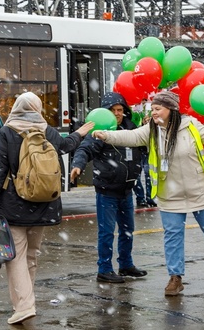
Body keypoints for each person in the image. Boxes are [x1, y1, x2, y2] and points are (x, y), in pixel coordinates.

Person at [92, 91, 204, 296]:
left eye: (157, 109)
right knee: (172, 236)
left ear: (170, 109)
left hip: (200, 190)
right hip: (170, 194)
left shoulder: (190, 125)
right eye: (152, 109)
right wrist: (107, 135)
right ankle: (175, 277)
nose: (153, 113)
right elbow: (131, 136)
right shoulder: (151, 130)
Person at [0, 92, 94, 325]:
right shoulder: (46, 130)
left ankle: (24, 305)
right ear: (37, 109)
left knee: (15, 257)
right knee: (31, 255)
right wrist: (80, 133)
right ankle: (25, 302)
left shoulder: (8, 131)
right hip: (44, 201)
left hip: (14, 202)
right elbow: (65, 145)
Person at [70, 92, 148, 284]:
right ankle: (104, 269)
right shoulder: (101, 130)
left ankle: (126, 265)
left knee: (127, 230)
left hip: (126, 190)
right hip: (107, 191)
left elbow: (145, 147)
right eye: (113, 111)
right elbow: (85, 149)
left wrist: (149, 127)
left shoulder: (131, 129)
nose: (117, 114)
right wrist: (77, 165)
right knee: (106, 232)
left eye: (120, 110)